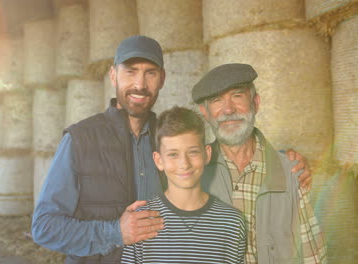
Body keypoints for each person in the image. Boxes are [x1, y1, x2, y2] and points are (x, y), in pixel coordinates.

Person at [31, 35, 311, 263]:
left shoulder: (171, 141)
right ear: (113, 75)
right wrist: (114, 232)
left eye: (150, 73)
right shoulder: (81, 140)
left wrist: (286, 162)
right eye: (131, 72)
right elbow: (44, 227)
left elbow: (227, 158)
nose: (140, 84)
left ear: (162, 79)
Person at [192, 63, 327, 263]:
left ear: (256, 103)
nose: (228, 109)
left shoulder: (291, 172)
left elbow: (313, 256)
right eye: (217, 100)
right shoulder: (193, 175)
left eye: (237, 96)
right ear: (205, 112)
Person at [121, 106, 247, 264]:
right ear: (159, 161)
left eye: (193, 152)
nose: (184, 164)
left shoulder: (232, 222)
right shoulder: (141, 221)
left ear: (207, 154)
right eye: (173, 154)